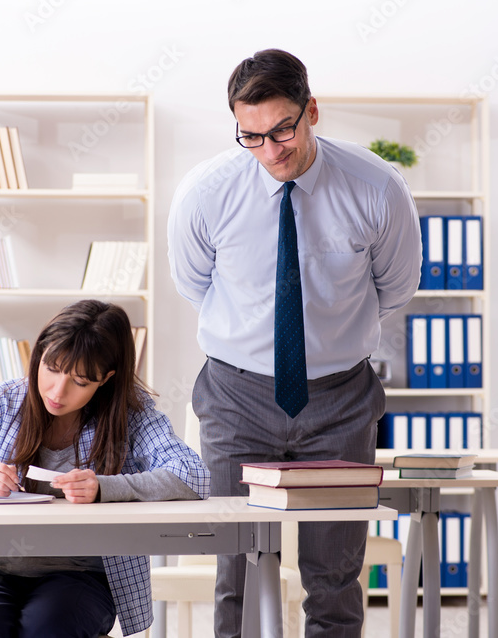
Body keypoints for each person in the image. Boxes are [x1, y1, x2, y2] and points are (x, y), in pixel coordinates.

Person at [167, 49, 421, 637]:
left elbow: (396, 286)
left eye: (283, 129)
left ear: (312, 111)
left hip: (340, 398)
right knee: (237, 570)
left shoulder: (376, 187)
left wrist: (327, 341)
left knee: (334, 577)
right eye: (250, 136)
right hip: (236, 397)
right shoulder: (207, 193)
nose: (271, 150)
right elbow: (193, 284)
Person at [0, 299, 210, 638]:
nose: (57, 392)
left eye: (79, 382)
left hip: (79, 576)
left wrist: (106, 488)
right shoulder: (1, 403)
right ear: (39, 354)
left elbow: (193, 475)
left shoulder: (131, 415)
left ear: (105, 379)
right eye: (51, 368)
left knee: (48, 627)